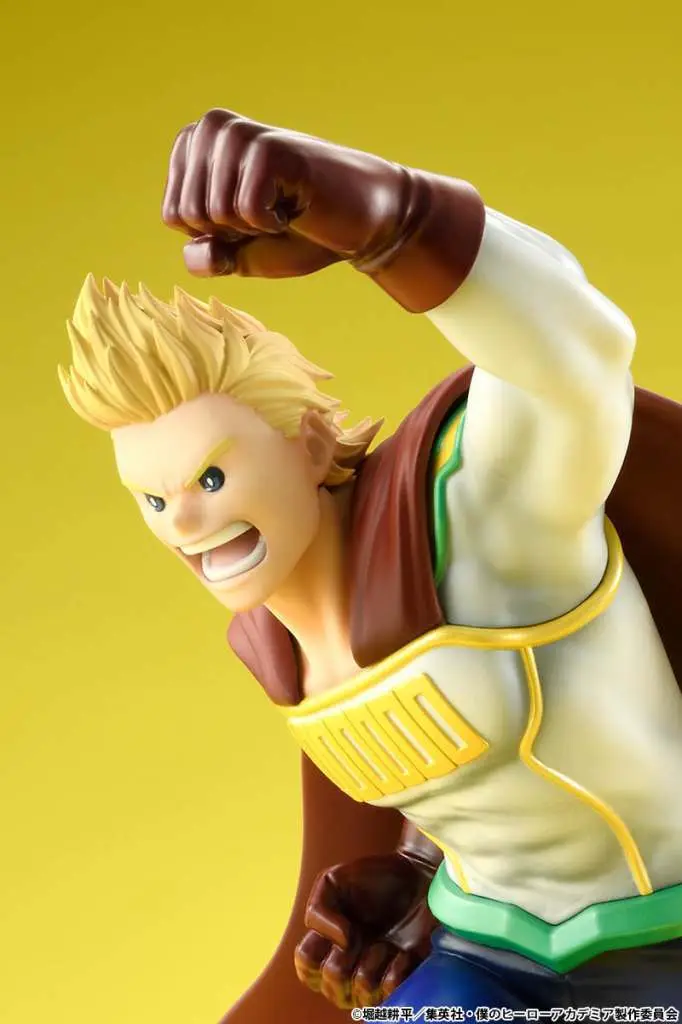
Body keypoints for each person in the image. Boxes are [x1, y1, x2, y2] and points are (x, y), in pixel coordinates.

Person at [59, 109, 682, 1021]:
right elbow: (475, 775)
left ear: (311, 443)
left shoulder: (474, 516)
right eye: (152, 501)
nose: (184, 520)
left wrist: (391, 219)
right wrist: (415, 873)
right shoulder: (277, 645)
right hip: (485, 948)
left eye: (211, 478)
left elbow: (574, 353)